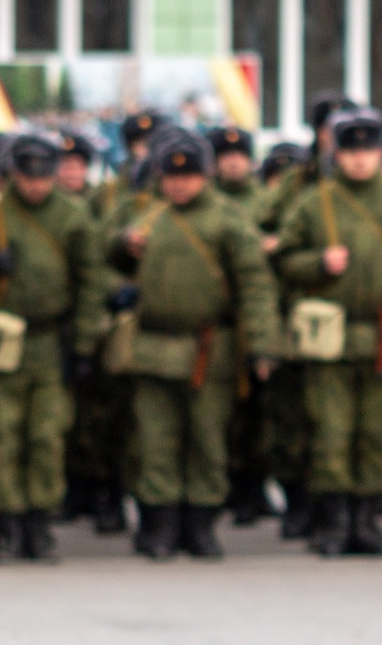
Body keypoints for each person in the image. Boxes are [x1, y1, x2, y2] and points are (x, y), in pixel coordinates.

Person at [270, 108, 382, 557]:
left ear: (381, 153)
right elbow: (284, 260)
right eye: (350, 151)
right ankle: (334, 522)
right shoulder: (314, 202)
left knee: (377, 432)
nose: (360, 160)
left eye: (367, 150)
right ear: (337, 154)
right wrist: (317, 264)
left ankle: (367, 521)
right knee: (330, 431)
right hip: (329, 337)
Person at [105, 126, 279, 562]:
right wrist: (123, 247)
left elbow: (255, 285)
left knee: (206, 439)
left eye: (189, 176)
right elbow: (106, 260)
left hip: (208, 350)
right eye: (171, 176)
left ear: (205, 175)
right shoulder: (148, 217)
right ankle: (160, 526)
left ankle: (200, 526)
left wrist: (262, 345)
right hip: (152, 346)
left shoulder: (226, 219)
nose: (179, 184)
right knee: (155, 440)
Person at [0, 131, 105, 561]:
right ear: (13, 175)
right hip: (0, 339)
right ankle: (6, 521)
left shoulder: (73, 217)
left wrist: (84, 345)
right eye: (28, 177)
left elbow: (91, 282)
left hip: (51, 340)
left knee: (46, 435)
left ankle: (39, 521)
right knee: (1, 433)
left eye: (44, 177)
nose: (36, 186)